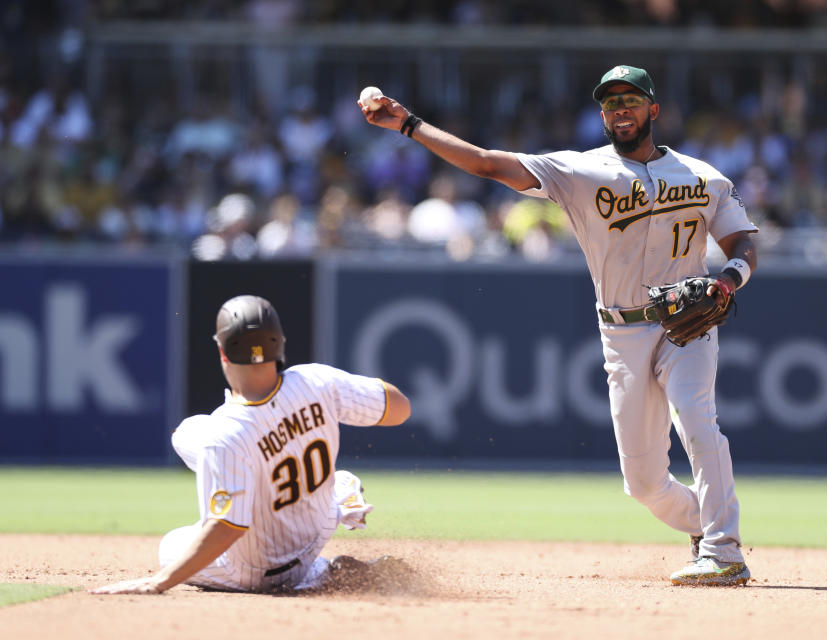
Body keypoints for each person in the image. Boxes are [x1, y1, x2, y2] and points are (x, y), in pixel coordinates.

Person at [359, 65, 757, 586]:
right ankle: (706, 529)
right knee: (644, 485)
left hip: (686, 323)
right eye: (611, 102)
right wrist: (409, 124)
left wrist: (728, 281)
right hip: (622, 331)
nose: (621, 110)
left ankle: (725, 549)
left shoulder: (705, 177)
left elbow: (743, 242)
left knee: (699, 421)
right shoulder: (578, 171)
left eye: (631, 100)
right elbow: (484, 164)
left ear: (653, 110)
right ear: (601, 114)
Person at [93, 295, 411, 594]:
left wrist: (160, 581)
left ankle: (323, 572)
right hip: (317, 530)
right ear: (280, 344)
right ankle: (338, 505)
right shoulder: (317, 381)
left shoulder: (227, 433)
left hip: (257, 570)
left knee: (171, 545)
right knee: (195, 434)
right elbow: (400, 409)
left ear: (222, 352)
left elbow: (228, 526)